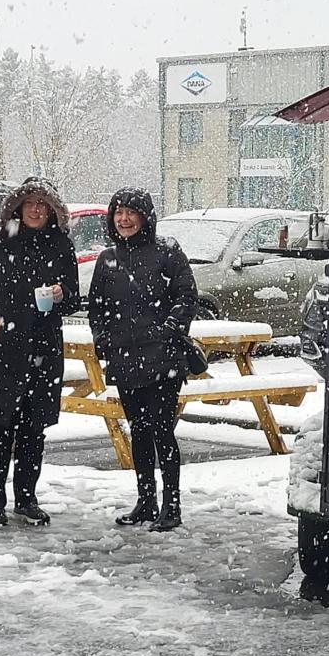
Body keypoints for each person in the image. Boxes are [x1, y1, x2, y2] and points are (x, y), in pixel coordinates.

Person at [0, 177, 80, 526]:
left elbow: (73, 298)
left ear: (52, 210)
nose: (36, 209)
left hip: (43, 348)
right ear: (17, 208)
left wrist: (60, 295)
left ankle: (26, 498)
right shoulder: (1, 242)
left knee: (33, 430)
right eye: (30, 203)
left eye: (43, 204)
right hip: (1, 351)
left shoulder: (60, 245)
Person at [88, 187, 198, 531]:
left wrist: (168, 329)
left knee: (162, 432)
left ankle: (173, 505)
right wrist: (104, 341)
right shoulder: (107, 259)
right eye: (118, 212)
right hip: (125, 360)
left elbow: (187, 296)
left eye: (130, 212)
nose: (123, 219)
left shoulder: (167, 253)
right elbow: (97, 308)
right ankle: (146, 500)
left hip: (163, 360)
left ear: (144, 216)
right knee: (139, 431)